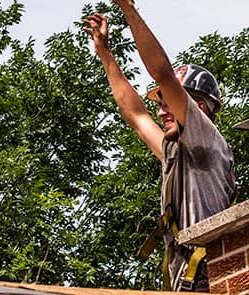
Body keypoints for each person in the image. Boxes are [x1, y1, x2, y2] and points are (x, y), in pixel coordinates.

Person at [84, 1, 235, 291]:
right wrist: (105, 54)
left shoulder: (206, 137)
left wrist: (127, 8)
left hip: (209, 276)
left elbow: (162, 74)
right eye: (161, 104)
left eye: (169, 103)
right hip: (186, 279)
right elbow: (136, 115)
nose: (161, 111)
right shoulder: (177, 150)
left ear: (199, 106)